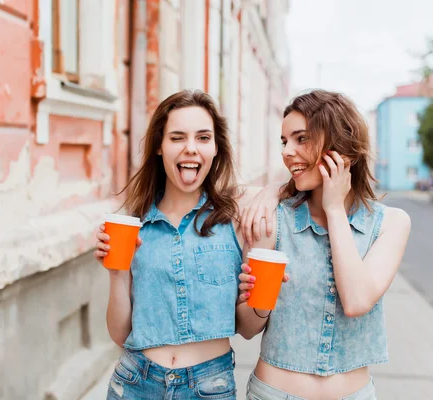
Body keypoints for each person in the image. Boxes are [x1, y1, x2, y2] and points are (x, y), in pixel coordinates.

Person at [93, 90, 277, 399]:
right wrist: (117, 274)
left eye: (203, 138)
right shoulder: (135, 223)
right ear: (159, 148)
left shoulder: (234, 218)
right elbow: (121, 334)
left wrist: (263, 300)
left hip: (209, 387)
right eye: (177, 138)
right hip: (135, 382)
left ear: (216, 149)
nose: (191, 149)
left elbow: (247, 329)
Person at [236, 90, 412, 400]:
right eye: (284, 141)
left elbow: (357, 301)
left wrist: (334, 209)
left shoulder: (391, 224)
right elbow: (247, 329)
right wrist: (259, 303)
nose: (287, 152)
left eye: (301, 139)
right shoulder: (272, 217)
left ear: (340, 148)